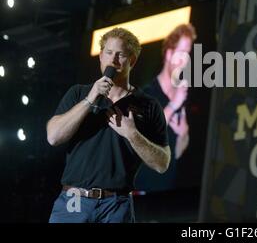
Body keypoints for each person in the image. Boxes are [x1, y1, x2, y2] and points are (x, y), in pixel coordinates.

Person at [46, 27, 170, 223]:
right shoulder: (79, 93)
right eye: (109, 53)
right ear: (101, 57)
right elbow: (53, 137)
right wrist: (90, 99)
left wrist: (132, 134)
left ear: (132, 61)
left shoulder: (148, 105)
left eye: (120, 54)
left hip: (116, 205)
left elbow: (162, 163)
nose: (113, 60)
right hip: (74, 201)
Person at [141, 23, 196, 191]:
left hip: (164, 191)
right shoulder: (147, 94)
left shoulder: (180, 96)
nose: (185, 60)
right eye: (182, 53)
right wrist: (173, 105)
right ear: (169, 53)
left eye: (188, 54)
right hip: (141, 192)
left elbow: (176, 153)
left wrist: (183, 134)